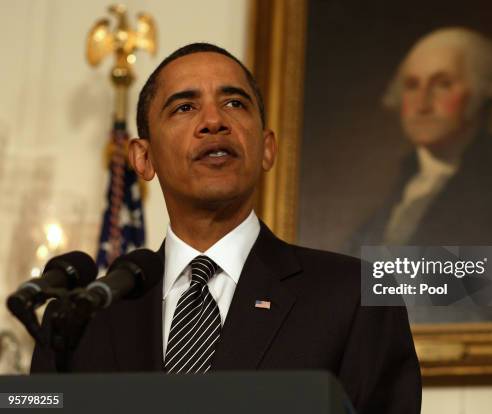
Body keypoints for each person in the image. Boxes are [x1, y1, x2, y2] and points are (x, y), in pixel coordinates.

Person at [31, 43, 422, 413]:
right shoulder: (83, 321)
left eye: (234, 103)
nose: (213, 122)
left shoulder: (354, 297)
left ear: (267, 148)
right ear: (143, 158)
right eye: (184, 107)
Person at [353, 27, 492, 248]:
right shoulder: (386, 209)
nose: (422, 104)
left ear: (479, 93)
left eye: (443, 84)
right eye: (412, 85)